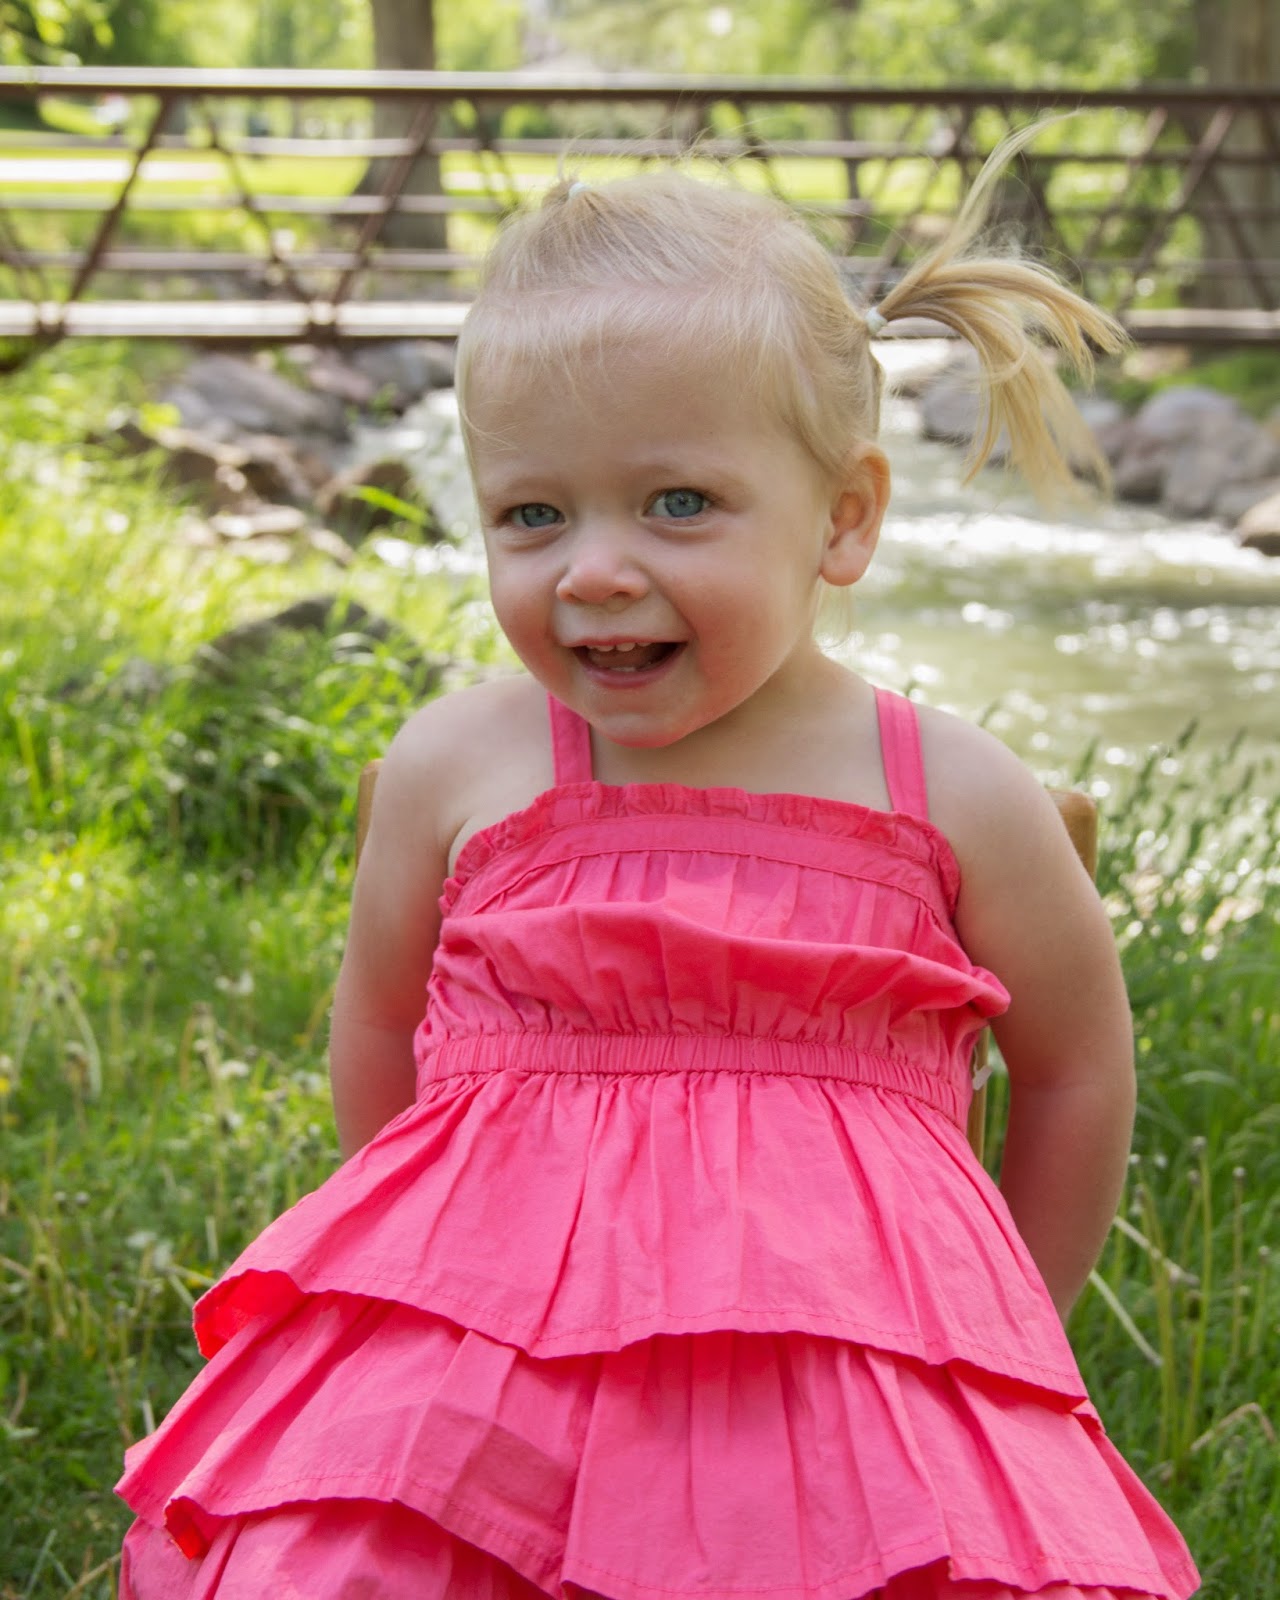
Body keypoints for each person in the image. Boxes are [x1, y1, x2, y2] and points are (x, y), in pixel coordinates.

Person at [116, 126, 1199, 1599]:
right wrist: (413, 1284)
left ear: (845, 518)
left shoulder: (953, 790)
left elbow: (1076, 1068)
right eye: (533, 514)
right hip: (489, 1355)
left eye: (678, 503)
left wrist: (996, 1329)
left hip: (844, 1382)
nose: (596, 570)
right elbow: (379, 1026)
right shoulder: (459, 766)